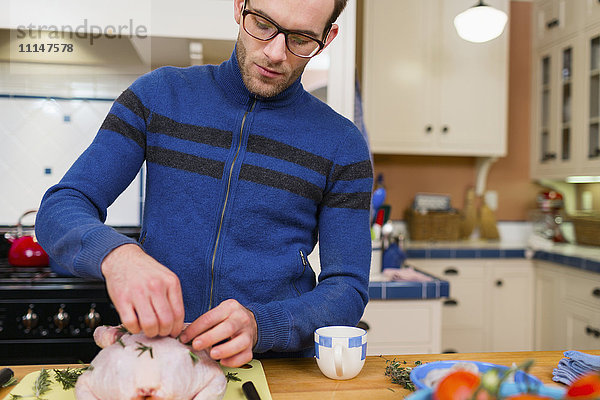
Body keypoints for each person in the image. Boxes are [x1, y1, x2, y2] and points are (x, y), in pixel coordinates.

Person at [35, 0, 373, 368]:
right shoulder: (158, 96)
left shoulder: (343, 143)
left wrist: (263, 325)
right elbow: (61, 206)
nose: (276, 53)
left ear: (328, 37)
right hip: (157, 359)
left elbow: (347, 290)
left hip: (274, 369)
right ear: (239, 6)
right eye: (262, 23)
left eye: (302, 39)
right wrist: (118, 255)